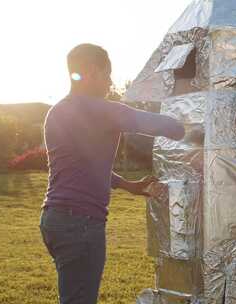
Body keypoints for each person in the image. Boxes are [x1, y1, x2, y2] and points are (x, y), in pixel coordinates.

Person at [39, 43, 185, 304]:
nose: (110, 82)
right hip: (81, 224)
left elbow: (82, 166)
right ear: (93, 72)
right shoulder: (102, 110)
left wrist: (129, 185)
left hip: (54, 220)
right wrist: (199, 125)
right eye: (107, 74)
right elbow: (165, 126)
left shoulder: (57, 112)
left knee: (73, 295)